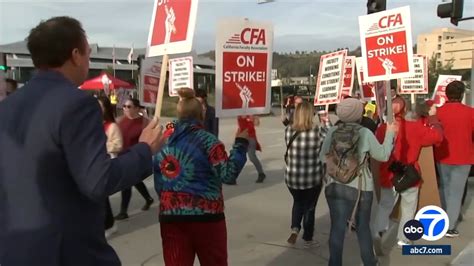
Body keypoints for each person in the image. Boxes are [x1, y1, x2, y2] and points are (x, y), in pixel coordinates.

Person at [0, 16, 164, 265]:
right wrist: (145, 149)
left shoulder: (8, 106)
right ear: (75, 55)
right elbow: (98, 180)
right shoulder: (77, 103)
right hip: (66, 252)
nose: (88, 61)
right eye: (87, 54)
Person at [154, 88, 248, 266]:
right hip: (207, 218)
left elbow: (159, 179)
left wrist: (170, 200)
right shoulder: (209, 141)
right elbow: (228, 174)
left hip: (172, 217)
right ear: (201, 114)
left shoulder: (163, 140)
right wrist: (240, 145)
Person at [320, 98, 396, 266]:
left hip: (334, 185)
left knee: (337, 229)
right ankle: (369, 262)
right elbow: (383, 155)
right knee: (363, 228)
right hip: (361, 187)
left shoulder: (332, 131)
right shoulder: (364, 133)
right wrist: (390, 132)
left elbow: (322, 157)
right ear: (358, 114)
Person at [372, 96, 443, 247]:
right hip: (409, 172)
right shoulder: (415, 127)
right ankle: (403, 239)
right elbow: (437, 137)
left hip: (388, 172)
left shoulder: (383, 128)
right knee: (409, 207)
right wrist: (433, 118)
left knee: (385, 205)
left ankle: (377, 232)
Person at [284, 101, 329, 248]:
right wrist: (326, 121)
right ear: (311, 115)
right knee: (309, 207)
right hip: (312, 179)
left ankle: (295, 229)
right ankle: (308, 237)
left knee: (298, 202)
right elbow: (331, 138)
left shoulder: (289, 131)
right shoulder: (317, 132)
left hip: (292, 178)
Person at [434, 80, 474, 238]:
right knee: (456, 192)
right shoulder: (470, 112)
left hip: (442, 155)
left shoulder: (438, 112)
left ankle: (447, 216)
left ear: (446, 94)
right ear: (462, 94)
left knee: (445, 188)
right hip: (464, 156)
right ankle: (450, 225)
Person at [115, 98, 155, 220]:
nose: (126, 109)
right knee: (135, 180)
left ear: (137, 108)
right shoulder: (121, 120)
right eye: (124, 106)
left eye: (129, 106)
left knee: (126, 182)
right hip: (122, 156)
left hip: (136, 157)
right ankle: (148, 198)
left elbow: (150, 138)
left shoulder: (144, 122)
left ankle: (123, 211)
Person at [97, 96, 123, 238]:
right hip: (96, 162)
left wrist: (101, 147)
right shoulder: (93, 124)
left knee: (101, 195)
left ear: (106, 108)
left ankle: (108, 224)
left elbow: (118, 145)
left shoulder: (112, 126)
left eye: (100, 106)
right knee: (101, 196)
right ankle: (109, 223)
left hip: (107, 162)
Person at [237, 115, 266, 184]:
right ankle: (232, 176)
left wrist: (253, 118)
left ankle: (261, 173)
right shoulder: (239, 112)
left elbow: (257, 124)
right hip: (242, 137)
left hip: (251, 138)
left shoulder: (251, 114)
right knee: (237, 157)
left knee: (252, 157)